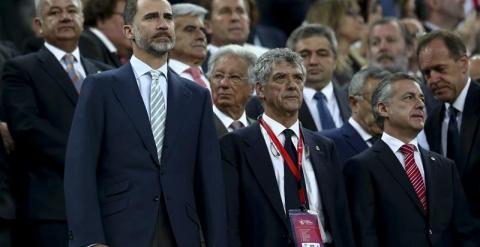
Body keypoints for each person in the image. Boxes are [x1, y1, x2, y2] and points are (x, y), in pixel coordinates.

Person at [63, 0, 227, 246]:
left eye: (168, 17)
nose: (162, 24)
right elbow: (80, 170)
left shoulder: (197, 96)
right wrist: (90, 240)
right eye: (151, 17)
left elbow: (209, 179)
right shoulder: (100, 87)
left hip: (182, 234)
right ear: (129, 31)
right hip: (119, 232)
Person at [1, 0, 111, 245]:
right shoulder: (21, 69)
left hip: (106, 205)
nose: (65, 17)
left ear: (83, 20)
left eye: (72, 11)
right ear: (38, 25)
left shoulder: (104, 73)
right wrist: (85, 157)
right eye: (54, 12)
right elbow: (26, 127)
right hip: (53, 207)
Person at [221, 48, 355, 247]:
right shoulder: (234, 145)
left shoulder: (324, 147)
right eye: (280, 78)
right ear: (260, 89)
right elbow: (230, 221)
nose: (292, 85)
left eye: (298, 78)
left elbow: (341, 219)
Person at [344, 73, 480, 247]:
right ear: (383, 109)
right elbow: (365, 236)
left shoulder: (445, 167)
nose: (421, 104)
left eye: (422, 98)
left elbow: (466, 232)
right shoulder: (362, 167)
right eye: (409, 97)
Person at [418, 30, 480, 221]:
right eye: (427, 73)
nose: (433, 80)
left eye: (440, 69)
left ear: (463, 64)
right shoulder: (432, 122)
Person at [246, 24, 351, 131]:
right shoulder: (261, 104)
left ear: (335, 59)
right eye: (304, 55)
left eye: (322, 54)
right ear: (289, 61)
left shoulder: (354, 99)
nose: (313, 61)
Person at [321, 67, 389, 165]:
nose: (384, 112)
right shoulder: (326, 143)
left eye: (390, 104)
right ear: (354, 103)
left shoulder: (398, 143)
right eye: (377, 104)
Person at [206, 44, 256, 137]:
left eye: (234, 77)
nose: (224, 84)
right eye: (218, 76)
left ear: (252, 88)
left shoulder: (261, 130)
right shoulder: (198, 126)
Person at [169, 3, 210, 90]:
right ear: (169, 36)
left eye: (202, 30)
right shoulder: (160, 79)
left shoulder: (218, 78)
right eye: (190, 30)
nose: (201, 36)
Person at [79, 0, 131, 67]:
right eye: (126, 16)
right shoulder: (86, 42)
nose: (132, 23)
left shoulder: (113, 52)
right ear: (101, 19)